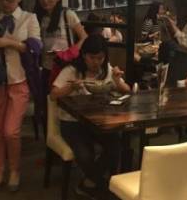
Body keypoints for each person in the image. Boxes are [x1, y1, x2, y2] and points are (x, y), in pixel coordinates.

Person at [52, 34, 130, 198]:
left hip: (98, 121)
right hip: (72, 122)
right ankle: (105, 185)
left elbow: (127, 90)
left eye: (100, 58)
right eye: (92, 58)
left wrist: (117, 80)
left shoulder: (106, 69)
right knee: (85, 154)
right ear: (84, 55)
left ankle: (88, 183)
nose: (96, 62)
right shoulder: (71, 70)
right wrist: (71, 88)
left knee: (115, 145)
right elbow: (53, 94)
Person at [0, 0, 42, 192]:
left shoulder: (29, 18)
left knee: (11, 131)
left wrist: (9, 42)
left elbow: (35, 47)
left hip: (19, 80)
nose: (5, 3)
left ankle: (15, 171)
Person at [34, 0, 87, 85]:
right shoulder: (39, 17)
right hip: (46, 66)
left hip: (65, 66)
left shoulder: (67, 14)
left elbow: (84, 37)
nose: (44, 0)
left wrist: (70, 53)